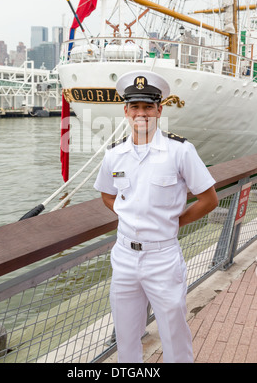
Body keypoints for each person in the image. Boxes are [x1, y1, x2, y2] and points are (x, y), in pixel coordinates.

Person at [94, 70, 218, 363]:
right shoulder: (114, 155)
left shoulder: (180, 151)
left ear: (159, 110)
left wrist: (177, 221)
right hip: (124, 256)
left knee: (173, 333)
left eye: (148, 107)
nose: (141, 113)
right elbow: (107, 194)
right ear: (125, 111)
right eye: (135, 107)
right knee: (125, 337)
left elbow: (209, 199)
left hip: (163, 258)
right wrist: (130, 214)